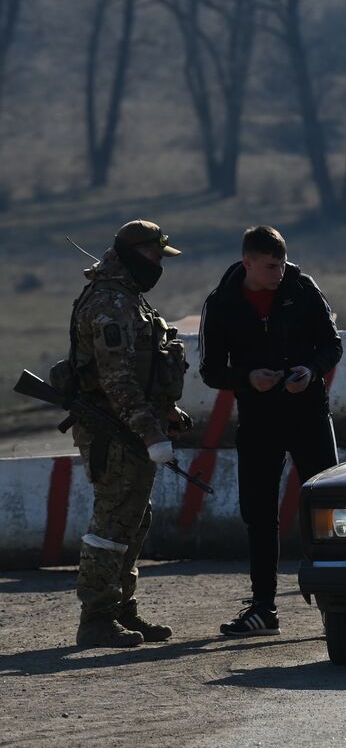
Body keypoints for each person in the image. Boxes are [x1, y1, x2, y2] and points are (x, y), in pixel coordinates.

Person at [200, 226, 342, 637]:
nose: (278, 272)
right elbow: (210, 370)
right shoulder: (222, 302)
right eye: (269, 266)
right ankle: (263, 608)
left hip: (309, 415)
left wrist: (310, 371)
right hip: (259, 421)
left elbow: (332, 344)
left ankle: (337, 604)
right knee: (259, 515)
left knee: (327, 508)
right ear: (248, 263)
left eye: (281, 263)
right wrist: (248, 378)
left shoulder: (302, 288)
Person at [68, 220, 189, 648]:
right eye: (155, 257)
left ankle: (120, 608)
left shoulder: (129, 299)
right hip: (111, 428)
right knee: (113, 519)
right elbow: (117, 379)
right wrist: (150, 430)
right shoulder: (109, 303)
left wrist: (166, 413)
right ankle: (96, 616)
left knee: (135, 518)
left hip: (130, 426)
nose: (159, 266)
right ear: (135, 254)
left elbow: (144, 367)